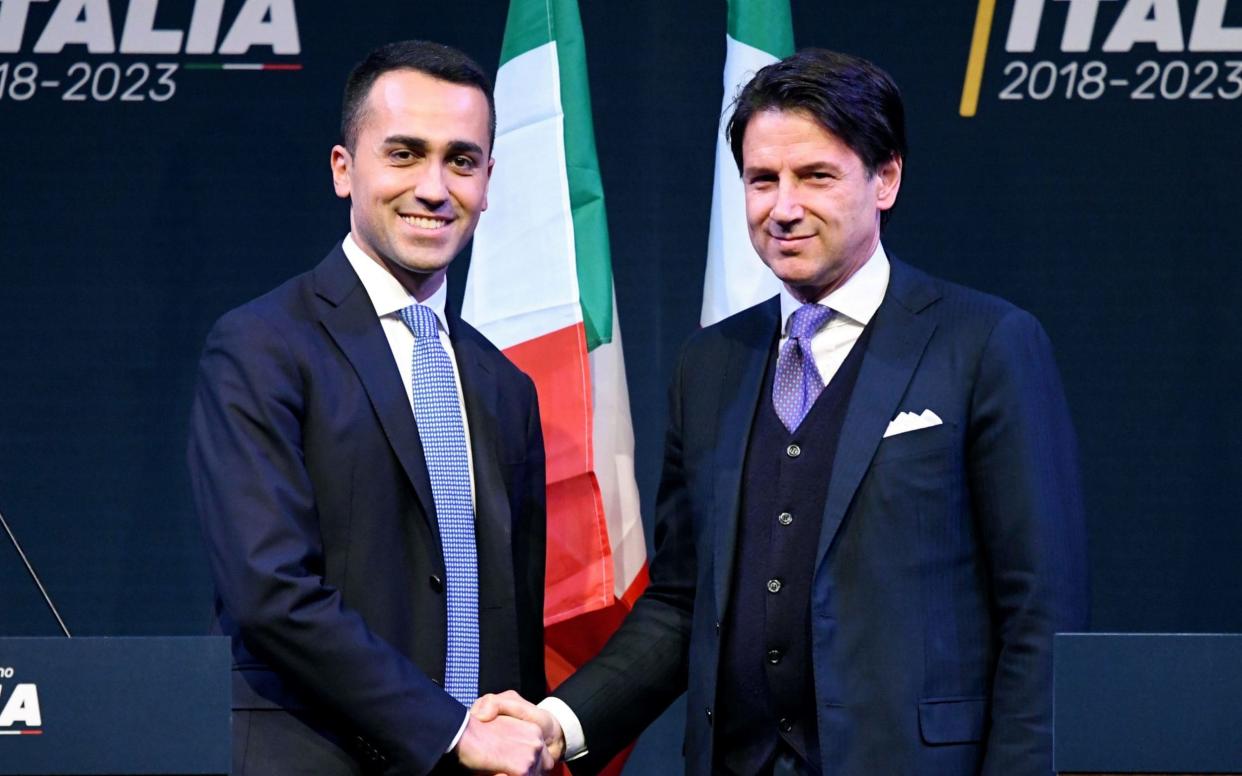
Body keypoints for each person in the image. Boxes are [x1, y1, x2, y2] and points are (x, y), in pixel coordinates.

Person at [476, 48, 1088, 775]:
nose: (784, 207)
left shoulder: (985, 344)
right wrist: (558, 722)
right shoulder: (708, 366)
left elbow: (1039, 610)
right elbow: (680, 603)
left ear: (885, 177)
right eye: (762, 180)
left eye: (816, 176)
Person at [188, 40, 552, 776]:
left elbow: (511, 615)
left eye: (461, 160)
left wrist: (513, 738)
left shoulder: (505, 385)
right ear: (343, 170)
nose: (434, 187)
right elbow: (270, 593)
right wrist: (448, 730)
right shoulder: (261, 345)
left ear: (487, 182)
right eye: (404, 154)